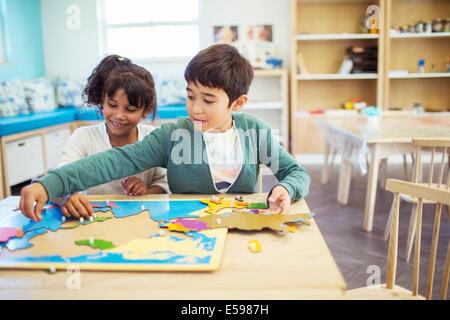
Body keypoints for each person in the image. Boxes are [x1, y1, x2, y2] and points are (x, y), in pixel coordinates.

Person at [19, 44, 311, 222]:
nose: (195, 109)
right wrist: (49, 185)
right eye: (190, 95)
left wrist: (285, 189)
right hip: (186, 232)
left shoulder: (256, 132)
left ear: (237, 103)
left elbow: (295, 172)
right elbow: (113, 161)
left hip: (243, 231)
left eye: (208, 100)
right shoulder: (173, 135)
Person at [51, 55, 169, 220]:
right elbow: (58, 179)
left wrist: (147, 191)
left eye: (130, 109)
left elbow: (164, 183)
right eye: (112, 105)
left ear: (146, 110)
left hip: (140, 219)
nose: (119, 115)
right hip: (94, 220)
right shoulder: (83, 137)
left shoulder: (153, 138)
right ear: (102, 101)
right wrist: (65, 198)